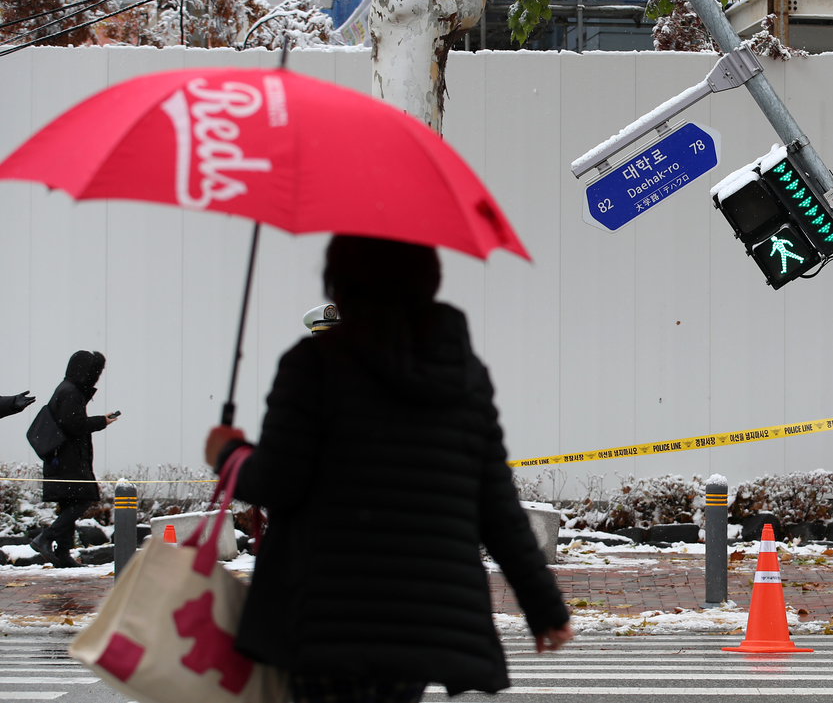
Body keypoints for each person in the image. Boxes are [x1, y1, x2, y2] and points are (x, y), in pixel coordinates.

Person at [204, 235, 571, 703]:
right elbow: (495, 504)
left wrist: (228, 455)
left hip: (322, 609)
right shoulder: (462, 374)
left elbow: (277, 482)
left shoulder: (313, 365)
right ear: (428, 281)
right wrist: (543, 606)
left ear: (338, 283)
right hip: (421, 614)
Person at [31, 351, 117, 568]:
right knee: (82, 500)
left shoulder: (67, 389)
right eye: (93, 373)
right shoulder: (70, 392)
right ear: (84, 372)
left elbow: (70, 422)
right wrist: (101, 421)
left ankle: (62, 555)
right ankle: (45, 538)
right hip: (69, 461)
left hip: (62, 460)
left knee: (70, 503)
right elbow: (74, 425)